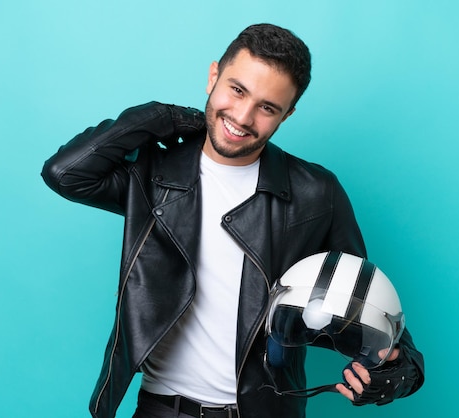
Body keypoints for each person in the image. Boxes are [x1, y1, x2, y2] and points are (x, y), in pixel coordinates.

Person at [42, 23, 424, 418]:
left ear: (286, 115)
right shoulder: (155, 173)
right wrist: (162, 117)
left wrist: (400, 370)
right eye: (236, 90)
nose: (242, 117)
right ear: (213, 76)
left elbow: (368, 307)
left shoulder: (316, 194)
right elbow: (65, 173)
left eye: (267, 107)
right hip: (161, 409)